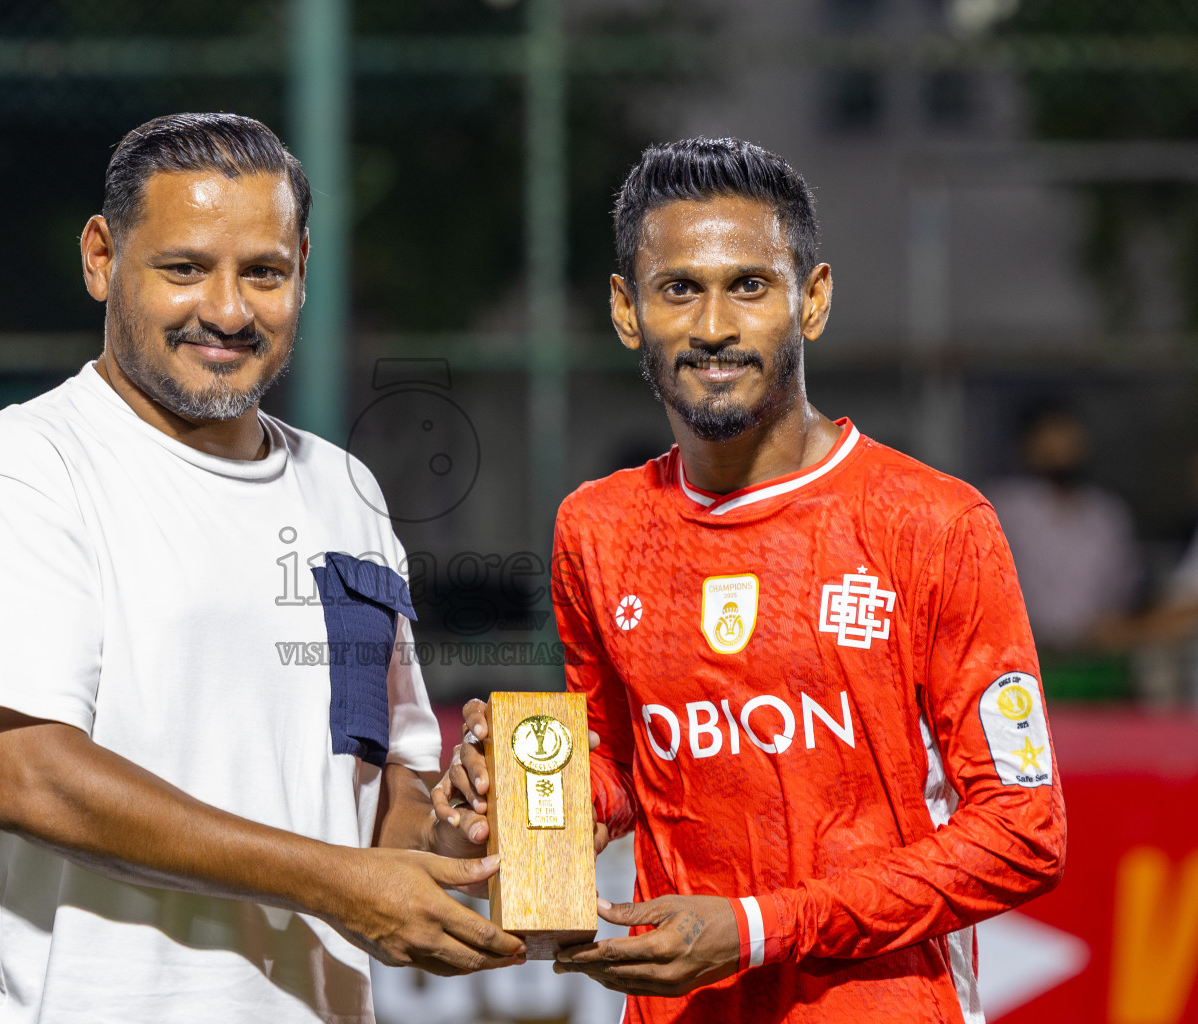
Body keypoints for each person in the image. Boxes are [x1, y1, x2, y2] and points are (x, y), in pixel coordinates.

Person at [0, 113, 523, 1024]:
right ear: (101, 258)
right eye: (185, 268)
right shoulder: (24, 469)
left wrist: (455, 829)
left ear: (304, 270)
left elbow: (379, 779)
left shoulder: (344, 489)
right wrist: (336, 883)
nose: (228, 311)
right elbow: (32, 779)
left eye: (263, 272)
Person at [434, 138, 1066, 1023]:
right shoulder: (597, 525)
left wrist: (762, 927)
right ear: (627, 310)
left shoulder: (933, 523)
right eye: (679, 288)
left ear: (813, 300)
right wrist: (530, 790)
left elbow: (1024, 832)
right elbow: (623, 765)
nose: (714, 327)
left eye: (751, 286)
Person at [986, 403, 1140, 650]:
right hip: (1019, 647)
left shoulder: (1106, 513)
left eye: (1067, 439)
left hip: (1096, 651)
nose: (1059, 449)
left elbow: (1124, 587)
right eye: (1048, 439)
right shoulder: (1002, 506)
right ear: (1026, 445)